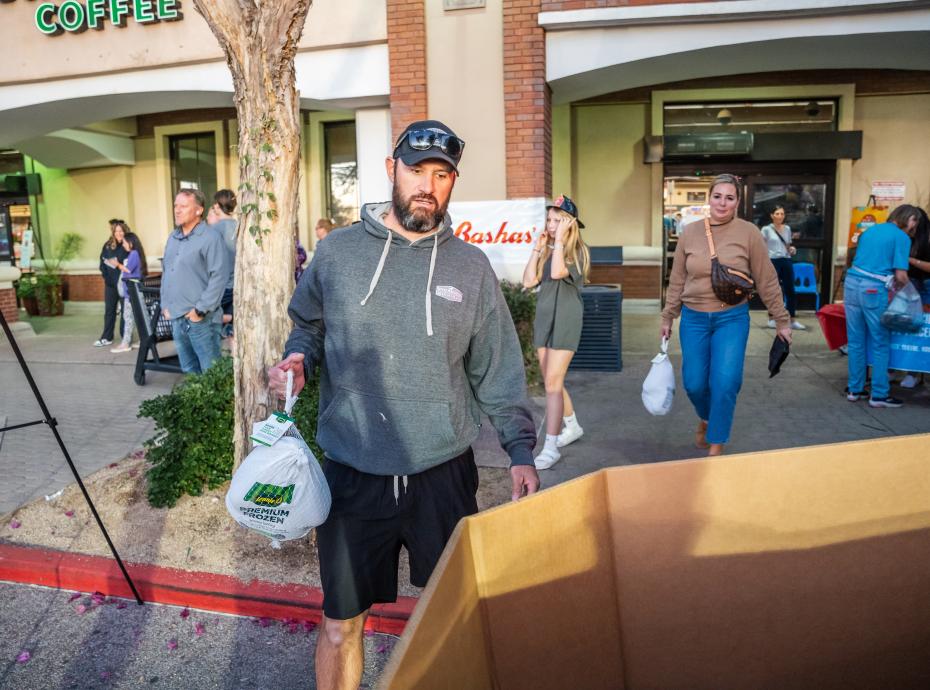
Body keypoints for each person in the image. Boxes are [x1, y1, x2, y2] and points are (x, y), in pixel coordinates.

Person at [266, 119, 539, 690]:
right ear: (392, 170)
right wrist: (299, 360)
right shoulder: (337, 253)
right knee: (342, 624)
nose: (428, 186)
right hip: (353, 470)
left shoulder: (471, 267)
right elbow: (308, 327)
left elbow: (497, 368)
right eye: (417, 171)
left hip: (442, 472)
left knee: (453, 621)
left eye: (442, 176)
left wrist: (519, 451)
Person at [661, 174, 792, 456]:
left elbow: (767, 278)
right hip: (694, 318)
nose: (722, 202)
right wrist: (668, 316)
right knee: (694, 383)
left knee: (726, 381)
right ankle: (708, 419)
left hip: (731, 318)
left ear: (737, 202)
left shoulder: (749, 233)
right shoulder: (689, 232)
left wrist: (782, 320)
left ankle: (716, 444)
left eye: (729, 197)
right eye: (717, 196)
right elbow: (677, 278)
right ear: (709, 198)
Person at [523, 195, 589, 470]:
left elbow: (560, 271)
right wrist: (538, 249)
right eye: (549, 220)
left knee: (551, 384)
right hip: (545, 319)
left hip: (566, 320)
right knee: (554, 382)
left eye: (557, 220)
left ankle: (550, 447)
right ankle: (572, 426)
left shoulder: (578, 251)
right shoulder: (550, 249)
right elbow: (528, 281)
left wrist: (559, 240)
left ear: (570, 223)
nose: (551, 225)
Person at [844, 204, 919, 407]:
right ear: (909, 218)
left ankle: (855, 389)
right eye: (915, 222)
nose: (914, 227)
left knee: (856, 341)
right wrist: (912, 295)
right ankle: (878, 394)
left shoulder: (871, 230)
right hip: (873, 291)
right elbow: (901, 275)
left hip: (851, 285)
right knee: (880, 342)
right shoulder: (901, 237)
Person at [160, 189, 228, 374]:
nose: (177, 210)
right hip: (176, 317)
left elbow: (219, 276)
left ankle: (214, 405)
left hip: (201, 320)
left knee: (211, 374)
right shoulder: (173, 238)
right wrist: (165, 305)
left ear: (198, 210)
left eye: (183, 206)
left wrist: (199, 311)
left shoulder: (210, 237)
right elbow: (167, 272)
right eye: (176, 205)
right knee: (189, 371)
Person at [760, 205, 806, 331]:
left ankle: (792, 320)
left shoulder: (787, 229)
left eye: (782, 214)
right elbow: (760, 246)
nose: (780, 216)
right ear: (772, 215)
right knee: (774, 291)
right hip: (772, 261)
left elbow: (787, 245)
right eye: (777, 213)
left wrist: (791, 249)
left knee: (790, 290)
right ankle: (771, 318)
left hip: (786, 260)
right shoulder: (766, 229)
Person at [110, 230, 148, 353]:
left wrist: (117, 265)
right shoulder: (135, 254)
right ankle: (144, 339)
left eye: (125, 242)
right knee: (135, 317)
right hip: (131, 291)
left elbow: (128, 270)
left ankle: (125, 344)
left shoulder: (133, 254)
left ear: (131, 242)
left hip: (131, 292)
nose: (124, 244)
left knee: (128, 318)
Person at [94, 219, 128, 347]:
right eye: (116, 231)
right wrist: (107, 278)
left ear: (125, 231)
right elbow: (102, 263)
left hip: (124, 284)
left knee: (126, 311)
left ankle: (125, 337)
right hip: (110, 284)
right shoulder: (108, 245)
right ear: (113, 232)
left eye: (121, 231)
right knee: (109, 310)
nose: (119, 233)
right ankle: (107, 337)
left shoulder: (128, 245)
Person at [209, 189, 238, 337]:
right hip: (238, 284)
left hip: (222, 286)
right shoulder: (240, 226)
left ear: (217, 206)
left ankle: (234, 320)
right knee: (233, 334)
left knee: (204, 316)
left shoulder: (214, 230)